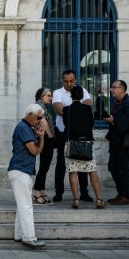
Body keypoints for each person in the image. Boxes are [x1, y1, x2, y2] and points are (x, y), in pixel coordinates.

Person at [8, 103, 47, 249]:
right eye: (38, 117)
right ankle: (29, 237)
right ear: (29, 114)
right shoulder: (24, 128)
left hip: (24, 170)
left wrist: (41, 137)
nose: (40, 120)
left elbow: (39, 150)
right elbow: (34, 151)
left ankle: (19, 234)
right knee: (26, 205)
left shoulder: (28, 129)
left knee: (22, 204)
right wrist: (39, 140)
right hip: (20, 170)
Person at [51, 70, 91, 203]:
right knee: (61, 163)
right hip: (63, 132)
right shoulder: (57, 92)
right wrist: (77, 111)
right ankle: (59, 193)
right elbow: (58, 110)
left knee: (82, 161)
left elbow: (88, 104)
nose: (69, 84)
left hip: (79, 134)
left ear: (75, 80)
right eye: (66, 81)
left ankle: (84, 192)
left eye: (71, 81)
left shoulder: (82, 90)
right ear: (62, 81)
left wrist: (70, 111)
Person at [64, 86, 106, 209]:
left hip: (72, 144)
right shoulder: (87, 108)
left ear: (71, 95)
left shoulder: (67, 110)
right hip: (86, 143)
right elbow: (91, 123)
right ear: (82, 96)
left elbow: (67, 125)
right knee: (92, 171)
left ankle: (76, 199)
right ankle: (99, 199)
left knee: (73, 172)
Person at [103, 80, 129, 205]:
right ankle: (121, 193)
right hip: (115, 140)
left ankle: (126, 195)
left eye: (114, 87)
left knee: (123, 168)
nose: (112, 89)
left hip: (124, 141)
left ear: (122, 89)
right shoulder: (118, 102)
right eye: (112, 87)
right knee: (113, 166)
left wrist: (113, 120)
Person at [32, 88, 56, 205]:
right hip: (45, 138)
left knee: (44, 167)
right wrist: (51, 136)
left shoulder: (42, 107)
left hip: (45, 138)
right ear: (41, 96)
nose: (50, 98)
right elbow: (43, 122)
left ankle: (42, 190)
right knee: (44, 167)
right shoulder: (39, 107)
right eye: (48, 96)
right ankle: (37, 193)